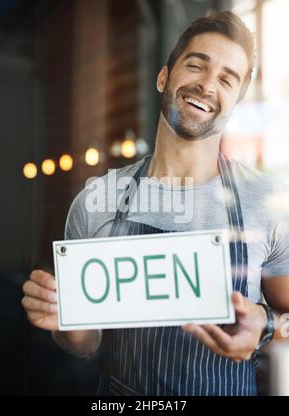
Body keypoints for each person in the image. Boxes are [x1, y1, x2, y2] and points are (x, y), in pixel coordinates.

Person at [22, 11, 289, 396]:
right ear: (164, 77)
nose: (207, 85)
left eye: (227, 79)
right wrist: (65, 321)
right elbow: (86, 343)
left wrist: (266, 326)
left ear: (235, 102)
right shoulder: (96, 204)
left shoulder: (267, 205)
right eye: (196, 65)